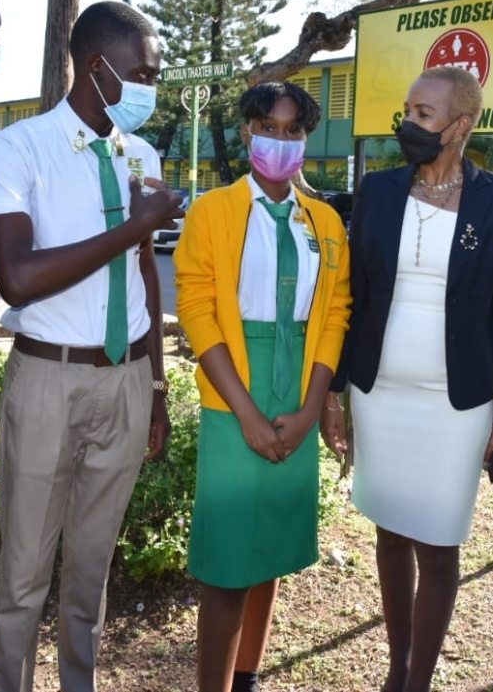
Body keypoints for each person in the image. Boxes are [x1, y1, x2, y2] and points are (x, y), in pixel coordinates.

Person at [0, 1, 183, 692]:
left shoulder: (142, 154)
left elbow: (145, 280)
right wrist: (137, 224)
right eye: (141, 73)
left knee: (89, 575)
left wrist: (155, 384)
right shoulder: (19, 147)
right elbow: (20, 276)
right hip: (48, 382)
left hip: (124, 381)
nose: (150, 87)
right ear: (97, 67)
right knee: (24, 579)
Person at [325, 66, 493, 692]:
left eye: (423, 115)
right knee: (390, 529)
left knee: (439, 543)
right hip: (379, 392)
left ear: (460, 126)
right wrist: (336, 395)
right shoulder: (379, 190)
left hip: (456, 403)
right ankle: (396, 665)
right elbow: (354, 294)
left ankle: (419, 679)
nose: (406, 124)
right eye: (407, 110)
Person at [174, 82, 351, 692]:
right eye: (267, 128)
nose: (279, 141)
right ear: (247, 132)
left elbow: (334, 314)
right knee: (228, 562)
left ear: (306, 140)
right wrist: (245, 411)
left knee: (270, 547)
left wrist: (310, 408)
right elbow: (197, 309)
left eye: (292, 131)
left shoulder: (324, 221)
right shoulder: (212, 211)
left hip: (298, 385)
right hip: (234, 392)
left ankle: (246, 676)